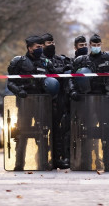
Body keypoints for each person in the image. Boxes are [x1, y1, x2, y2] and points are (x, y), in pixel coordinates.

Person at [69, 33, 109, 170]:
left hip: (106, 99)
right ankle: (86, 160)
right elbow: (71, 78)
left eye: (99, 45)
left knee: (106, 132)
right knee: (86, 131)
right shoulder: (81, 60)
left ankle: (108, 161)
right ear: (90, 45)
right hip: (87, 101)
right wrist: (73, 91)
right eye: (94, 45)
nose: (97, 47)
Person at [7, 35, 57, 170]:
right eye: (37, 47)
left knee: (42, 133)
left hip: (42, 103)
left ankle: (43, 162)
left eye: (41, 47)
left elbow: (55, 81)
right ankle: (19, 164)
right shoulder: (19, 62)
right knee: (22, 133)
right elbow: (10, 82)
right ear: (30, 48)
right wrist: (19, 91)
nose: (40, 49)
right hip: (25, 103)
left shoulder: (46, 62)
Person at [41, 33, 72, 169]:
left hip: (60, 99)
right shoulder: (40, 60)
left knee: (60, 130)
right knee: (44, 130)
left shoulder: (61, 59)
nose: (52, 45)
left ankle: (58, 157)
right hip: (43, 100)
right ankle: (44, 157)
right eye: (49, 43)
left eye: (53, 42)